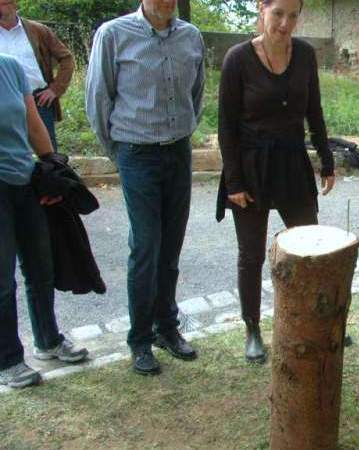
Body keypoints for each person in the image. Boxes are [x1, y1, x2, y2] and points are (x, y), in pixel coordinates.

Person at [86, 0, 205, 376]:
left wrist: (183, 133)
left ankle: (167, 329)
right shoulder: (113, 34)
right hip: (137, 154)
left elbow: (197, 95)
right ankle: (139, 340)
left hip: (178, 152)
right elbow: (98, 99)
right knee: (146, 248)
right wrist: (119, 152)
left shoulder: (191, 36)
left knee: (170, 246)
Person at [217, 0, 335, 363]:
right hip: (251, 166)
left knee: (311, 249)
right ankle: (252, 328)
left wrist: (326, 160)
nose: (285, 23)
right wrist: (234, 181)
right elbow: (226, 126)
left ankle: (317, 320)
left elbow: (313, 110)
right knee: (251, 254)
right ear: (261, 9)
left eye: (293, 15)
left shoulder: (304, 54)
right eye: (278, 13)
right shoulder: (237, 58)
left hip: (292, 164)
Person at [0, 54, 88, 389]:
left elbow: (33, 121)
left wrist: (52, 166)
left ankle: (48, 340)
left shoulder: (9, 66)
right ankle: (7, 359)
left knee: (41, 267)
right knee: (2, 280)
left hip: (24, 179)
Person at [0, 0, 74, 153]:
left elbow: (66, 58)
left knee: (49, 154)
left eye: (3, 4)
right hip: (3, 102)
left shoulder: (37, 30)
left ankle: (52, 176)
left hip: (38, 100)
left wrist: (55, 89)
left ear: (14, 4)